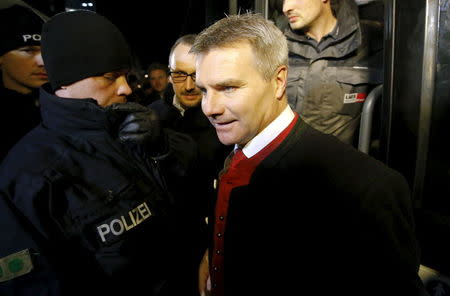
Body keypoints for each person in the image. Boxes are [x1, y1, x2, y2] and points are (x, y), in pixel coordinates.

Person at [191, 13, 426, 296]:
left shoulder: (366, 190)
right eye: (204, 90)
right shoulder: (229, 148)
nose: (209, 107)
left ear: (278, 81)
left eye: (228, 88)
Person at [0, 10, 196, 296]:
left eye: (125, 75)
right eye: (109, 77)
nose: (125, 88)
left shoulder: (127, 125)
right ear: (66, 80)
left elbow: (192, 179)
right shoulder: (28, 174)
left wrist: (163, 148)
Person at [150, 34, 232, 296]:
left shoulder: (227, 121)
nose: (188, 86)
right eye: (178, 75)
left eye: (196, 75)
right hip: (158, 246)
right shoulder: (149, 119)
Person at [283, 0, 383, 146]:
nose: (286, 8)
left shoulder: (371, 39)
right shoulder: (277, 46)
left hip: (345, 164)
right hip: (287, 163)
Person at [0, 4, 47, 161]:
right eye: (28, 50)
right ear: (1, 58)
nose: (43, 62)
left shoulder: (58, 109)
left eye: (46, 52)